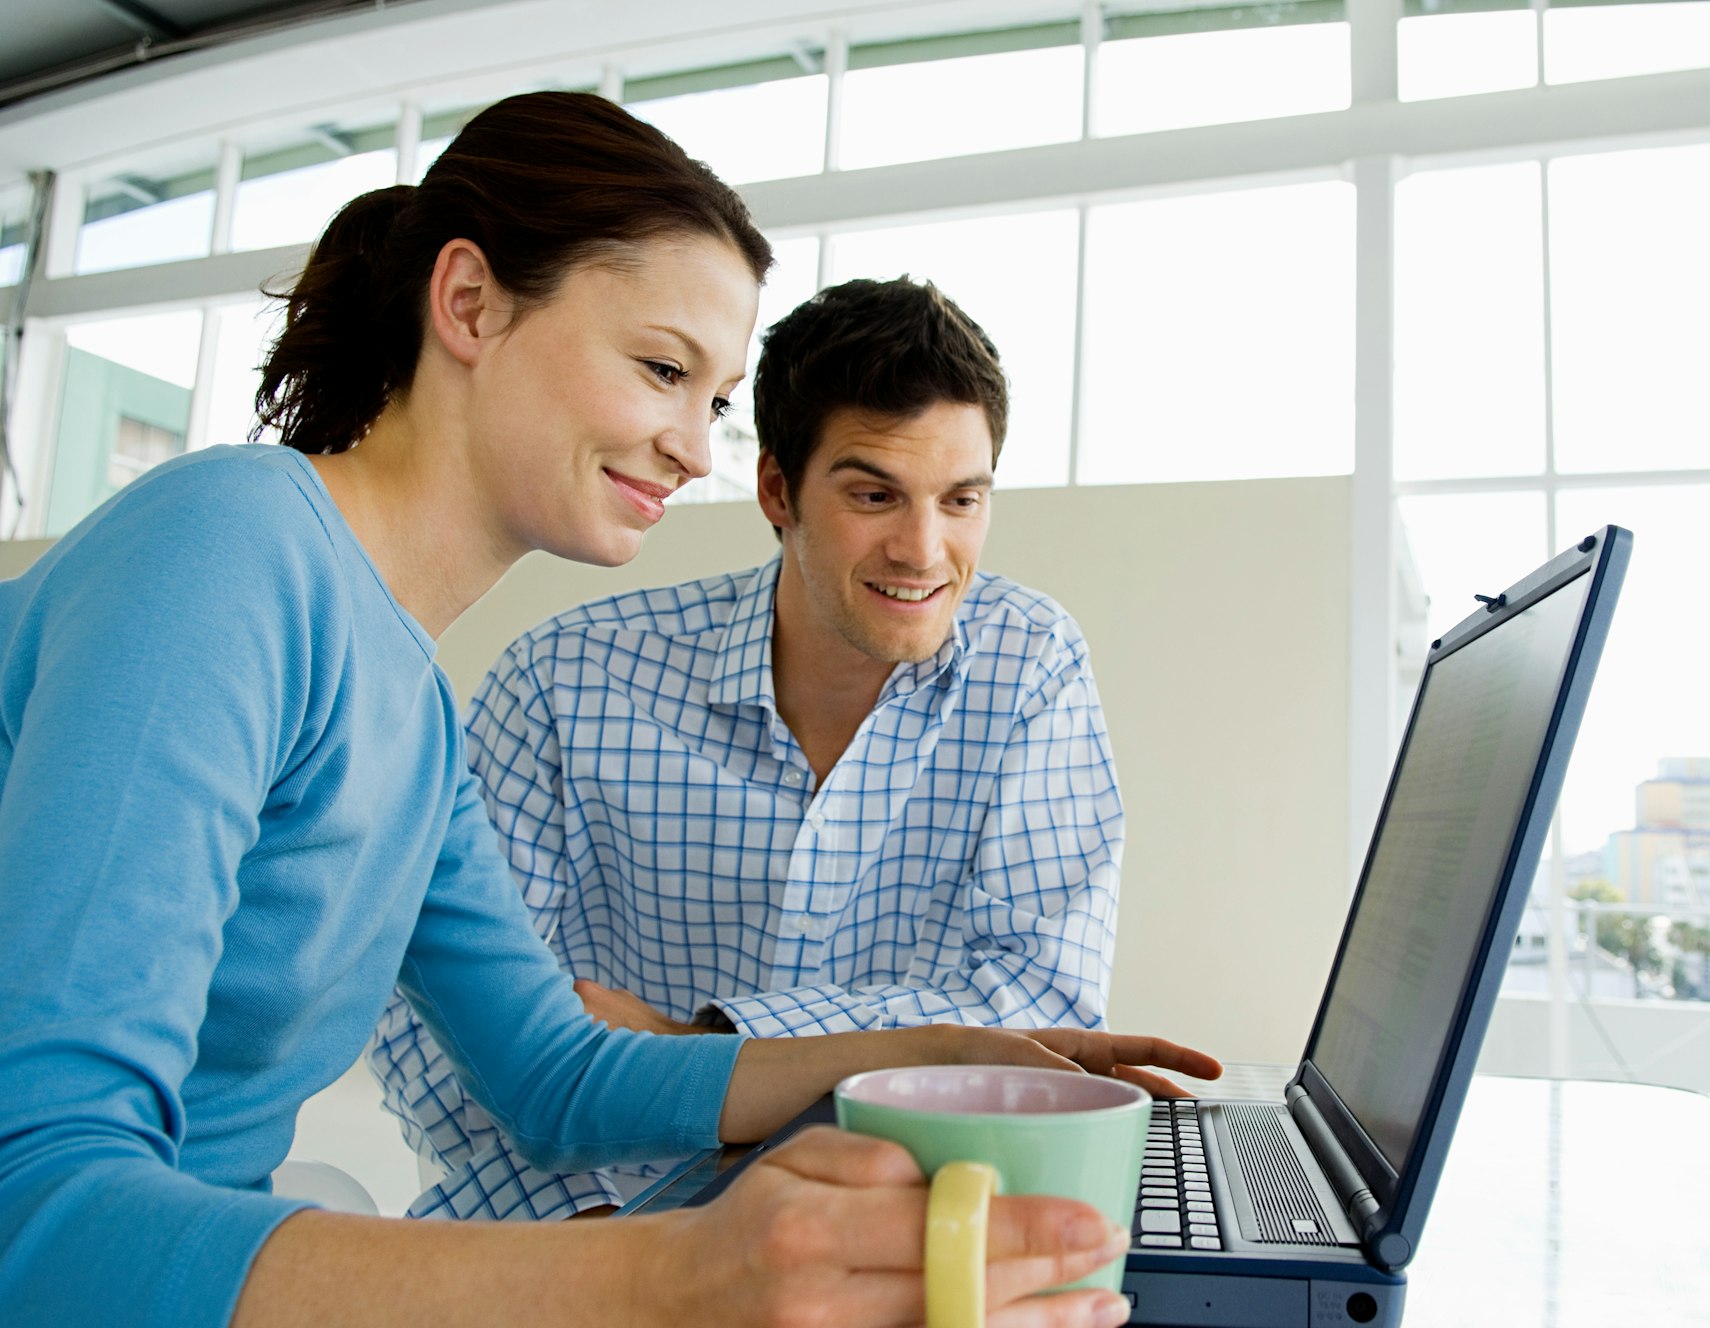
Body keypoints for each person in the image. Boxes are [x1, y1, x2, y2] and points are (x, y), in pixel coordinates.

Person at [0, 91, 1217, 1327]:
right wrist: (671, 1277)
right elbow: (32, 1212)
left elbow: (556, 1071)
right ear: (468, 304)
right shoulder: (224, 555)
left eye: (715, 399)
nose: (692, 447)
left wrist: (927, 1052)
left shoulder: (411, 700)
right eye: (659, 368)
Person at [372, 275, 1126, 1221]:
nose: (924, 550)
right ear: (778, 488)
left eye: (961, 500)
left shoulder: (1031, 666)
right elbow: (432, 1032)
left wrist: (705, 1043)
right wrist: (611, 1258)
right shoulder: (564, 680)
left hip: (891, 1235)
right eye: (874, 494)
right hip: (590, 1234)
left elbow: (1039, 1012)